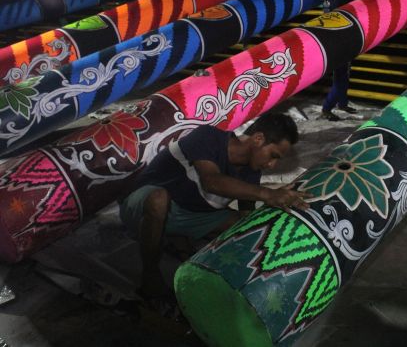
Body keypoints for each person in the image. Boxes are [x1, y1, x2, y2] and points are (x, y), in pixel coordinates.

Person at [119, 113, 310, 300]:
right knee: (158, 199)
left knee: (239, 225)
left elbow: (246, 216)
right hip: (140, 207)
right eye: (273, 155)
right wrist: (269, 194)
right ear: (258, 139)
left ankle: (177, 239)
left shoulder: (251, 171)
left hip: (189, 216)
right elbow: (212, 182)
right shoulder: (208, 136)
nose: (272, 165)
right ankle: (150, 274)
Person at [320, 0, 372, 121]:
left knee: (342, 74)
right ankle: (327, 108)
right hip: (340, 42)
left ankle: (342, 103)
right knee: (341, 77)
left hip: (332, 40)